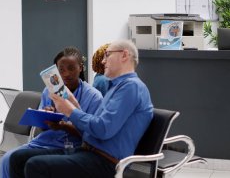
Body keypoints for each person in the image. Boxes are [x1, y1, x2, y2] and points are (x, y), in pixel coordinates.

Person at [9, 39, 154, 178]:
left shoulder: (131, 87)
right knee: (18, 158)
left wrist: (70, 110)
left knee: (36, 166)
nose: (103, 61)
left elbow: (103, 129)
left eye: (107, 55)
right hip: (88, 151)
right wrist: (74, 105)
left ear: (124, 55)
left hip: (106, 161)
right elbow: (94, 128)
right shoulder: (116, 88)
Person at [0, 47, 103, 178]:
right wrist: (46, 116)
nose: (66, 74)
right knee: (7, 159)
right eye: (61, 70)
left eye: (71, 68)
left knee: (33, 165)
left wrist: (65, 126)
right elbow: (42, 129)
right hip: (45, 142)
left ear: (81, 68)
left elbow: (92, 136)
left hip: (74, 147)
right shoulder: (50, 91)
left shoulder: (94, 97)